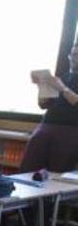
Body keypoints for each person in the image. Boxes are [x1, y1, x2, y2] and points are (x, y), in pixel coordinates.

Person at [21, 43, 78, 173]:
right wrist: (41, 85)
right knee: (29, 168)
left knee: (56, 172)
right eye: (72, 54)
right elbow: (43, 105)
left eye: (77, 55)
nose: (74, 58)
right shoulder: (63, 77)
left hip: (71, 130)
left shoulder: (60, 83)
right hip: (46, 125)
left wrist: (62, 88)